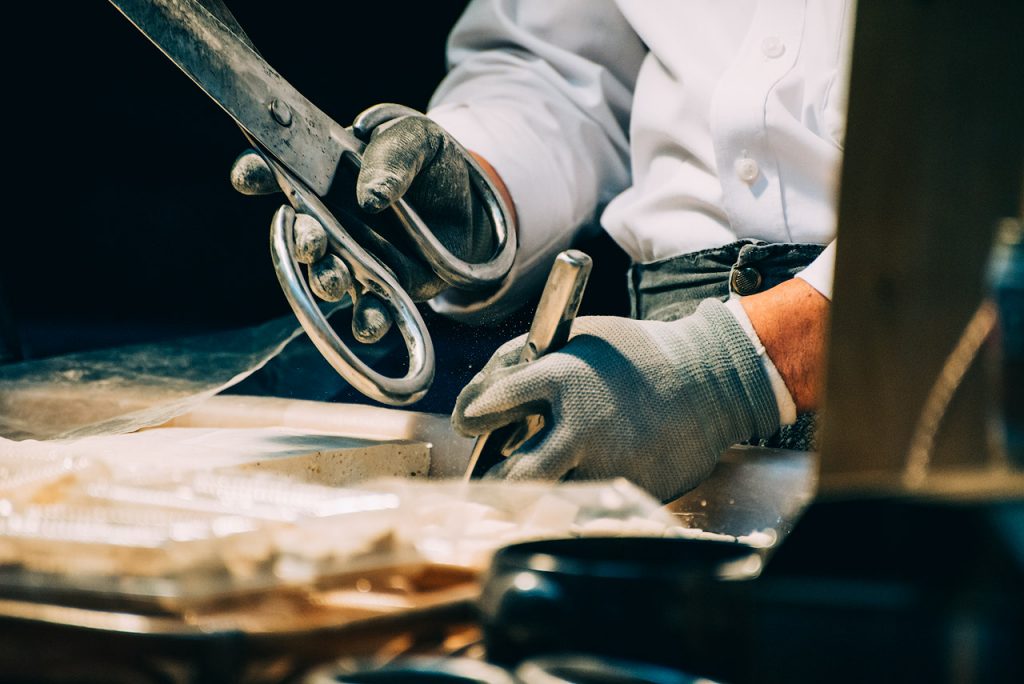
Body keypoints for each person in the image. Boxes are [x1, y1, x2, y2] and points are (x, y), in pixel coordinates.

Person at [231, 0, 852, 501]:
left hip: (904, 371)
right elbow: (558, 65)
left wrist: (736, 366)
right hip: (648, 389)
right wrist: (472, 199)